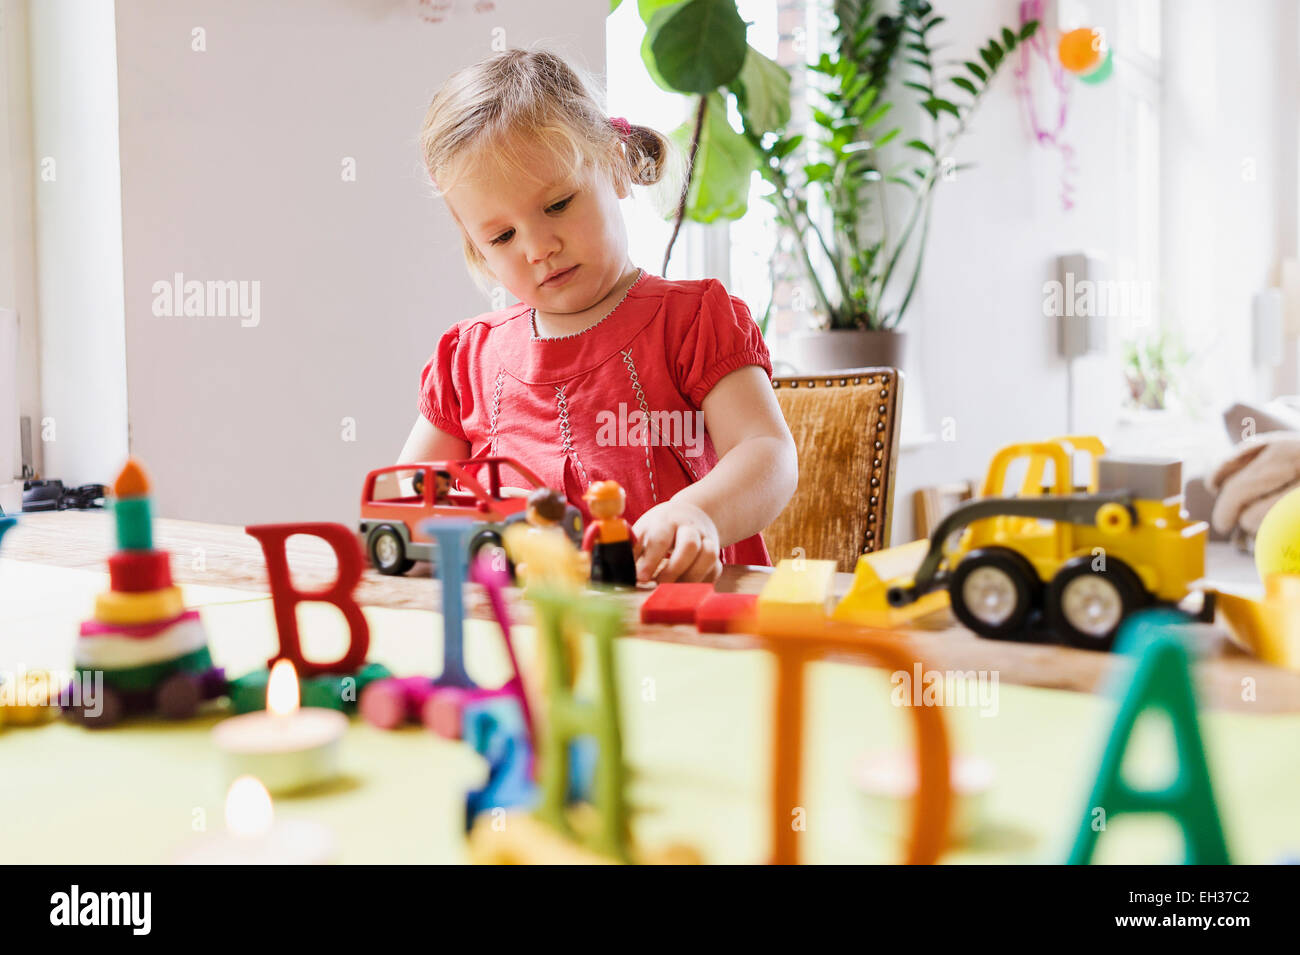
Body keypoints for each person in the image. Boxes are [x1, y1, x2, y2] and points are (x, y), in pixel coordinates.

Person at [398, 48, 797, 583]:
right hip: (520, 637)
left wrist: (699, 510)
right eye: (502, 236)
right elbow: (413, 488)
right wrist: (469, 515)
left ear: (615, 167)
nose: (539, 247)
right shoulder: (466, 359)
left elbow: (766, 452)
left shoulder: (693, 321)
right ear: (477, 249)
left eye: (558, 203)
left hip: (675, 623)